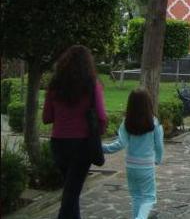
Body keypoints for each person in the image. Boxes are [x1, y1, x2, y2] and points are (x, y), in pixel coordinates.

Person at [43, 45, 107, 219]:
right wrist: (98, 132)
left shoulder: (54, 85)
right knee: (71, 194)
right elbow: (101, 116)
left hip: (58, 144)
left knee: (71, 190)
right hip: (82, 144)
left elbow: (47, 117)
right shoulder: (92, 85)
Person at [103, 88, 164, 219]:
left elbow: (121, 144)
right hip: (146, 166)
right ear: (148, 103)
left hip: (131, 166)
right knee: (149, 197)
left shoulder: (126, 122)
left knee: (136, 196)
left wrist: (103, 148)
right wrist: (158, 159)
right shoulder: (154, 122)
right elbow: (159, 145)